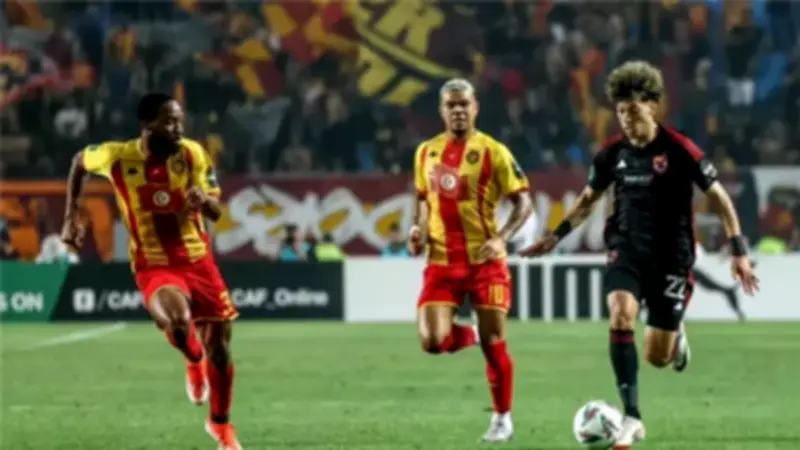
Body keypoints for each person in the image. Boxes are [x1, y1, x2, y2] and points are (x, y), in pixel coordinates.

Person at [521, 61, 758, 448]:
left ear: (652, 105)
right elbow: (588, 199)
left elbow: (719, 198)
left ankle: (675, 337)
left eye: (632, 111)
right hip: (626, 248)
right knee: (620, 313)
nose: (626, 120)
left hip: (672, 256)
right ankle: (632, 416)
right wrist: (555, 236)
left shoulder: (680, 149)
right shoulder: (611, 154)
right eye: (620, 112)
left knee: (657, 357)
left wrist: (738, 251)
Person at [60, 93, 242, 450]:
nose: (178, 128)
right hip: (154, 264)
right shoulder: (117, 156)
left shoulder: (193, 154)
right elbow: (79, 162)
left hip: (198, 261)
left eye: (180, 121)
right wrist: (71, 216)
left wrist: (203, 202)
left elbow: (216, 211)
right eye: (169, 121)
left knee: (220, 350)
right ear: (147, 124)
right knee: (178, 322)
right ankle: (193, 360)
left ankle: (220, 426)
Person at [409, 78, 533, 443]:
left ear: (475, 108)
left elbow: (524, 202)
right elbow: (422, 199)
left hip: (484, 262)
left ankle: (502, 418)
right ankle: (473, 334)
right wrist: (417, 230)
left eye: (464, 104)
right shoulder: (425, 152)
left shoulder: (494, 151)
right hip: (442, 261)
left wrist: (502, 237)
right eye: (451, 105)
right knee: (432, 340)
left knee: (496, 347)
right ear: (442, 110)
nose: (458, 110)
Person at [692, 239, 745, 321]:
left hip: (714, 280)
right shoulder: (722, 252)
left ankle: (738, 312)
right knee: (728, 291)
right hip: (708, 277)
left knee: (729, 291)